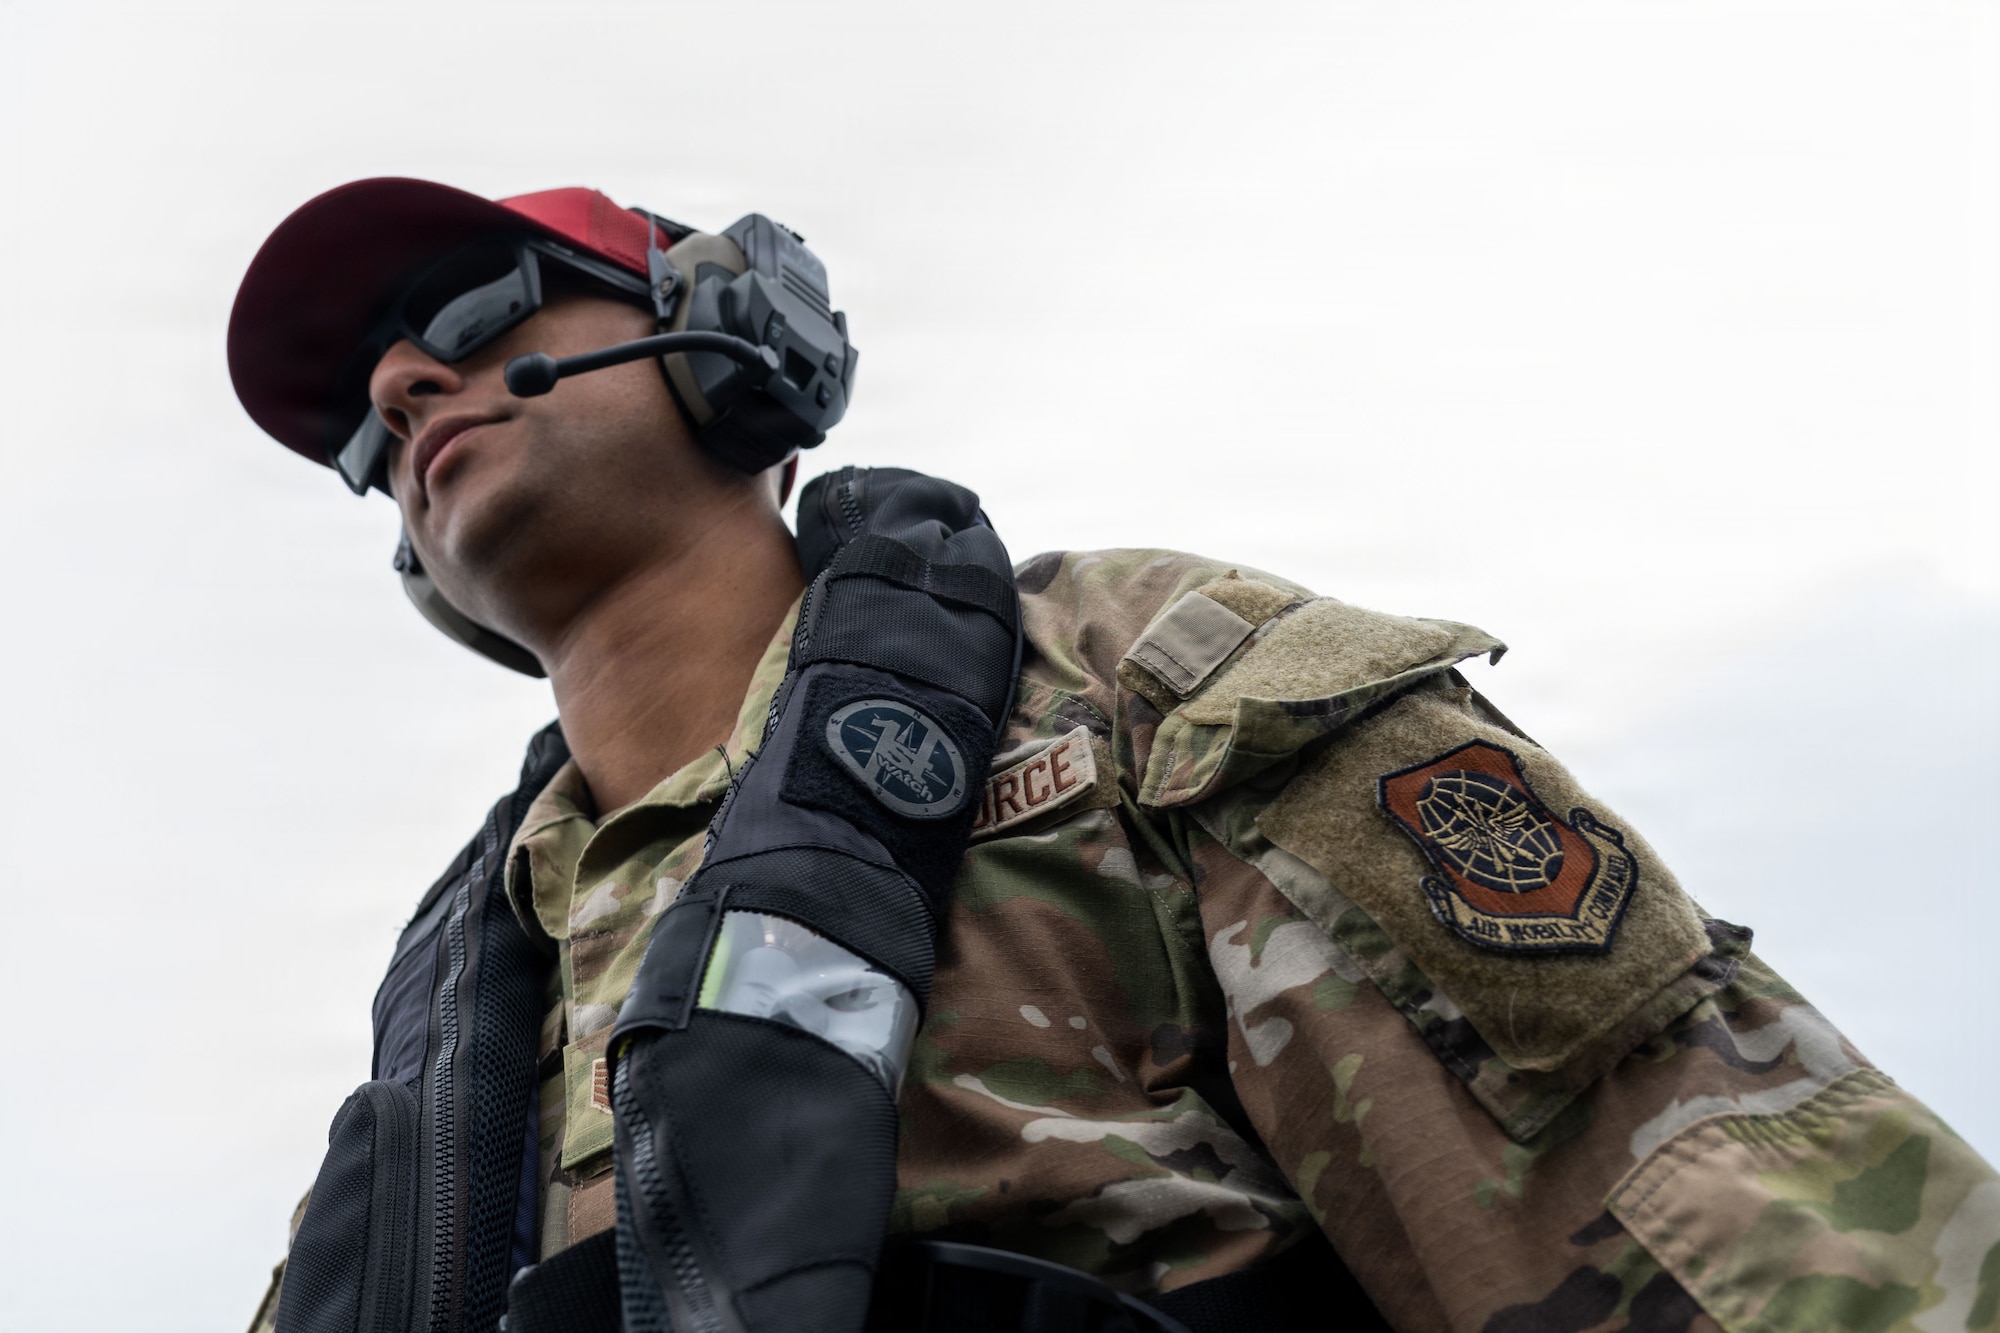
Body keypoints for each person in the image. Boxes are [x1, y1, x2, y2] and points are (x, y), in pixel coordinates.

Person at [231, 178, 2000, 1333]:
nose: (401, 387)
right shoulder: (456, 1026)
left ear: (736, 339)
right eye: (360, 423)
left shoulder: (1129, 678)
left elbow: (1701, 1220)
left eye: (472, 315)